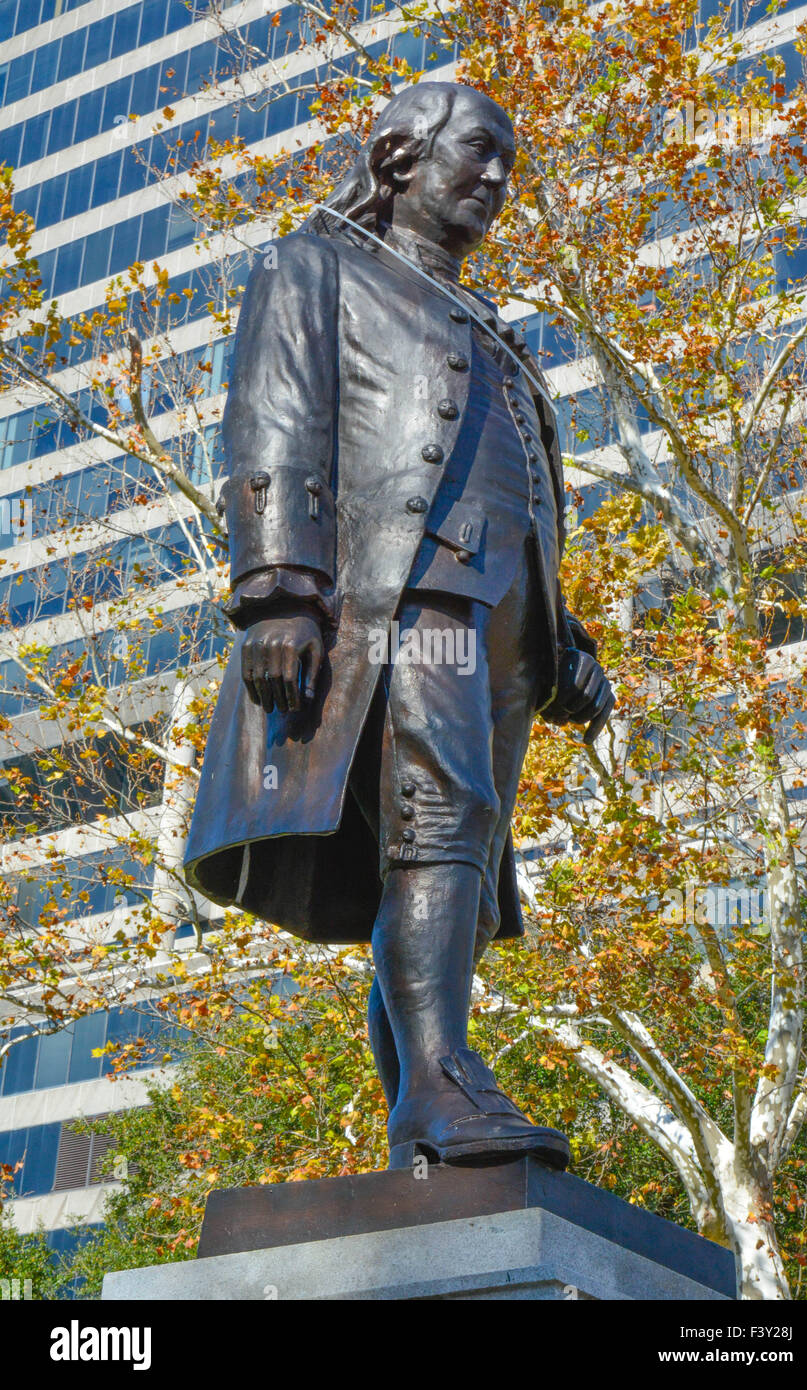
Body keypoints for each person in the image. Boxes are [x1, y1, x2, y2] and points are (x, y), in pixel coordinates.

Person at [184, 81, 614, 1170]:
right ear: (398, 158)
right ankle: (435, 1083)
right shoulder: (316, 266)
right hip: (403, 598)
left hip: (506, 625)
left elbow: (537, 504)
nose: (497, 181)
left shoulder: (497, 332)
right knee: (438, 813)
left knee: (461, 849)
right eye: (477, 154)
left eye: (508, 165)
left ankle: (432, 1102)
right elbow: (275, 419)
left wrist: (565, 641)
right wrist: (280, 587)